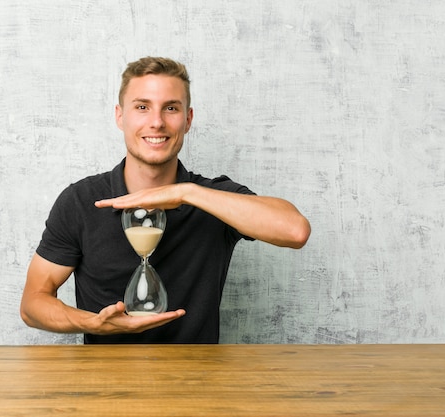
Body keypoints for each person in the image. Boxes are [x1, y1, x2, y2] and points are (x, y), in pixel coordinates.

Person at [20, 57, 311, 344]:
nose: (157, 122)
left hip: (197, 380)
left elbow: (295, 231)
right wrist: (93, 323)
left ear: (188, 119)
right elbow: (33, 304)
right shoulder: (81, 201)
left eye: (170, 108)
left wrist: (185, 193)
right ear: (120, 116)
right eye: (142, 107)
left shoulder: (212, 198)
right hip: (103, 380)